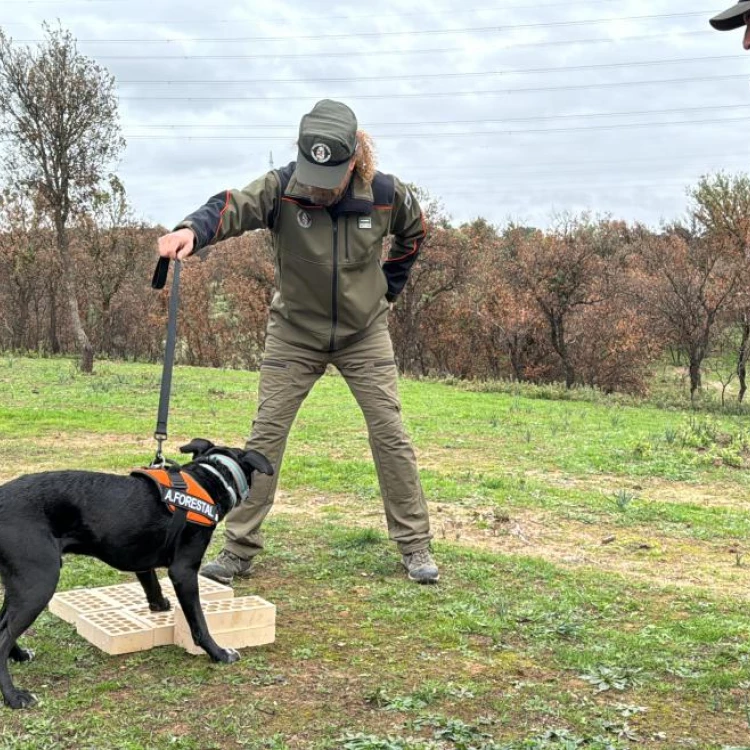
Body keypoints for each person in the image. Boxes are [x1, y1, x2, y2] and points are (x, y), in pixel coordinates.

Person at [157, 99, 439, 584]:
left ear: (355, 158)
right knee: (265, 438)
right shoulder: (280, 189)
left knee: (390, 434)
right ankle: (239, 550)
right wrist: (191, 231)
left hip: (364, 333)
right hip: (294, 333)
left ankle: (414, 545)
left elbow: (415, 234)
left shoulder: (389, 194)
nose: (319, 187)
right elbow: (230, 206)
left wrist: (388, 289)